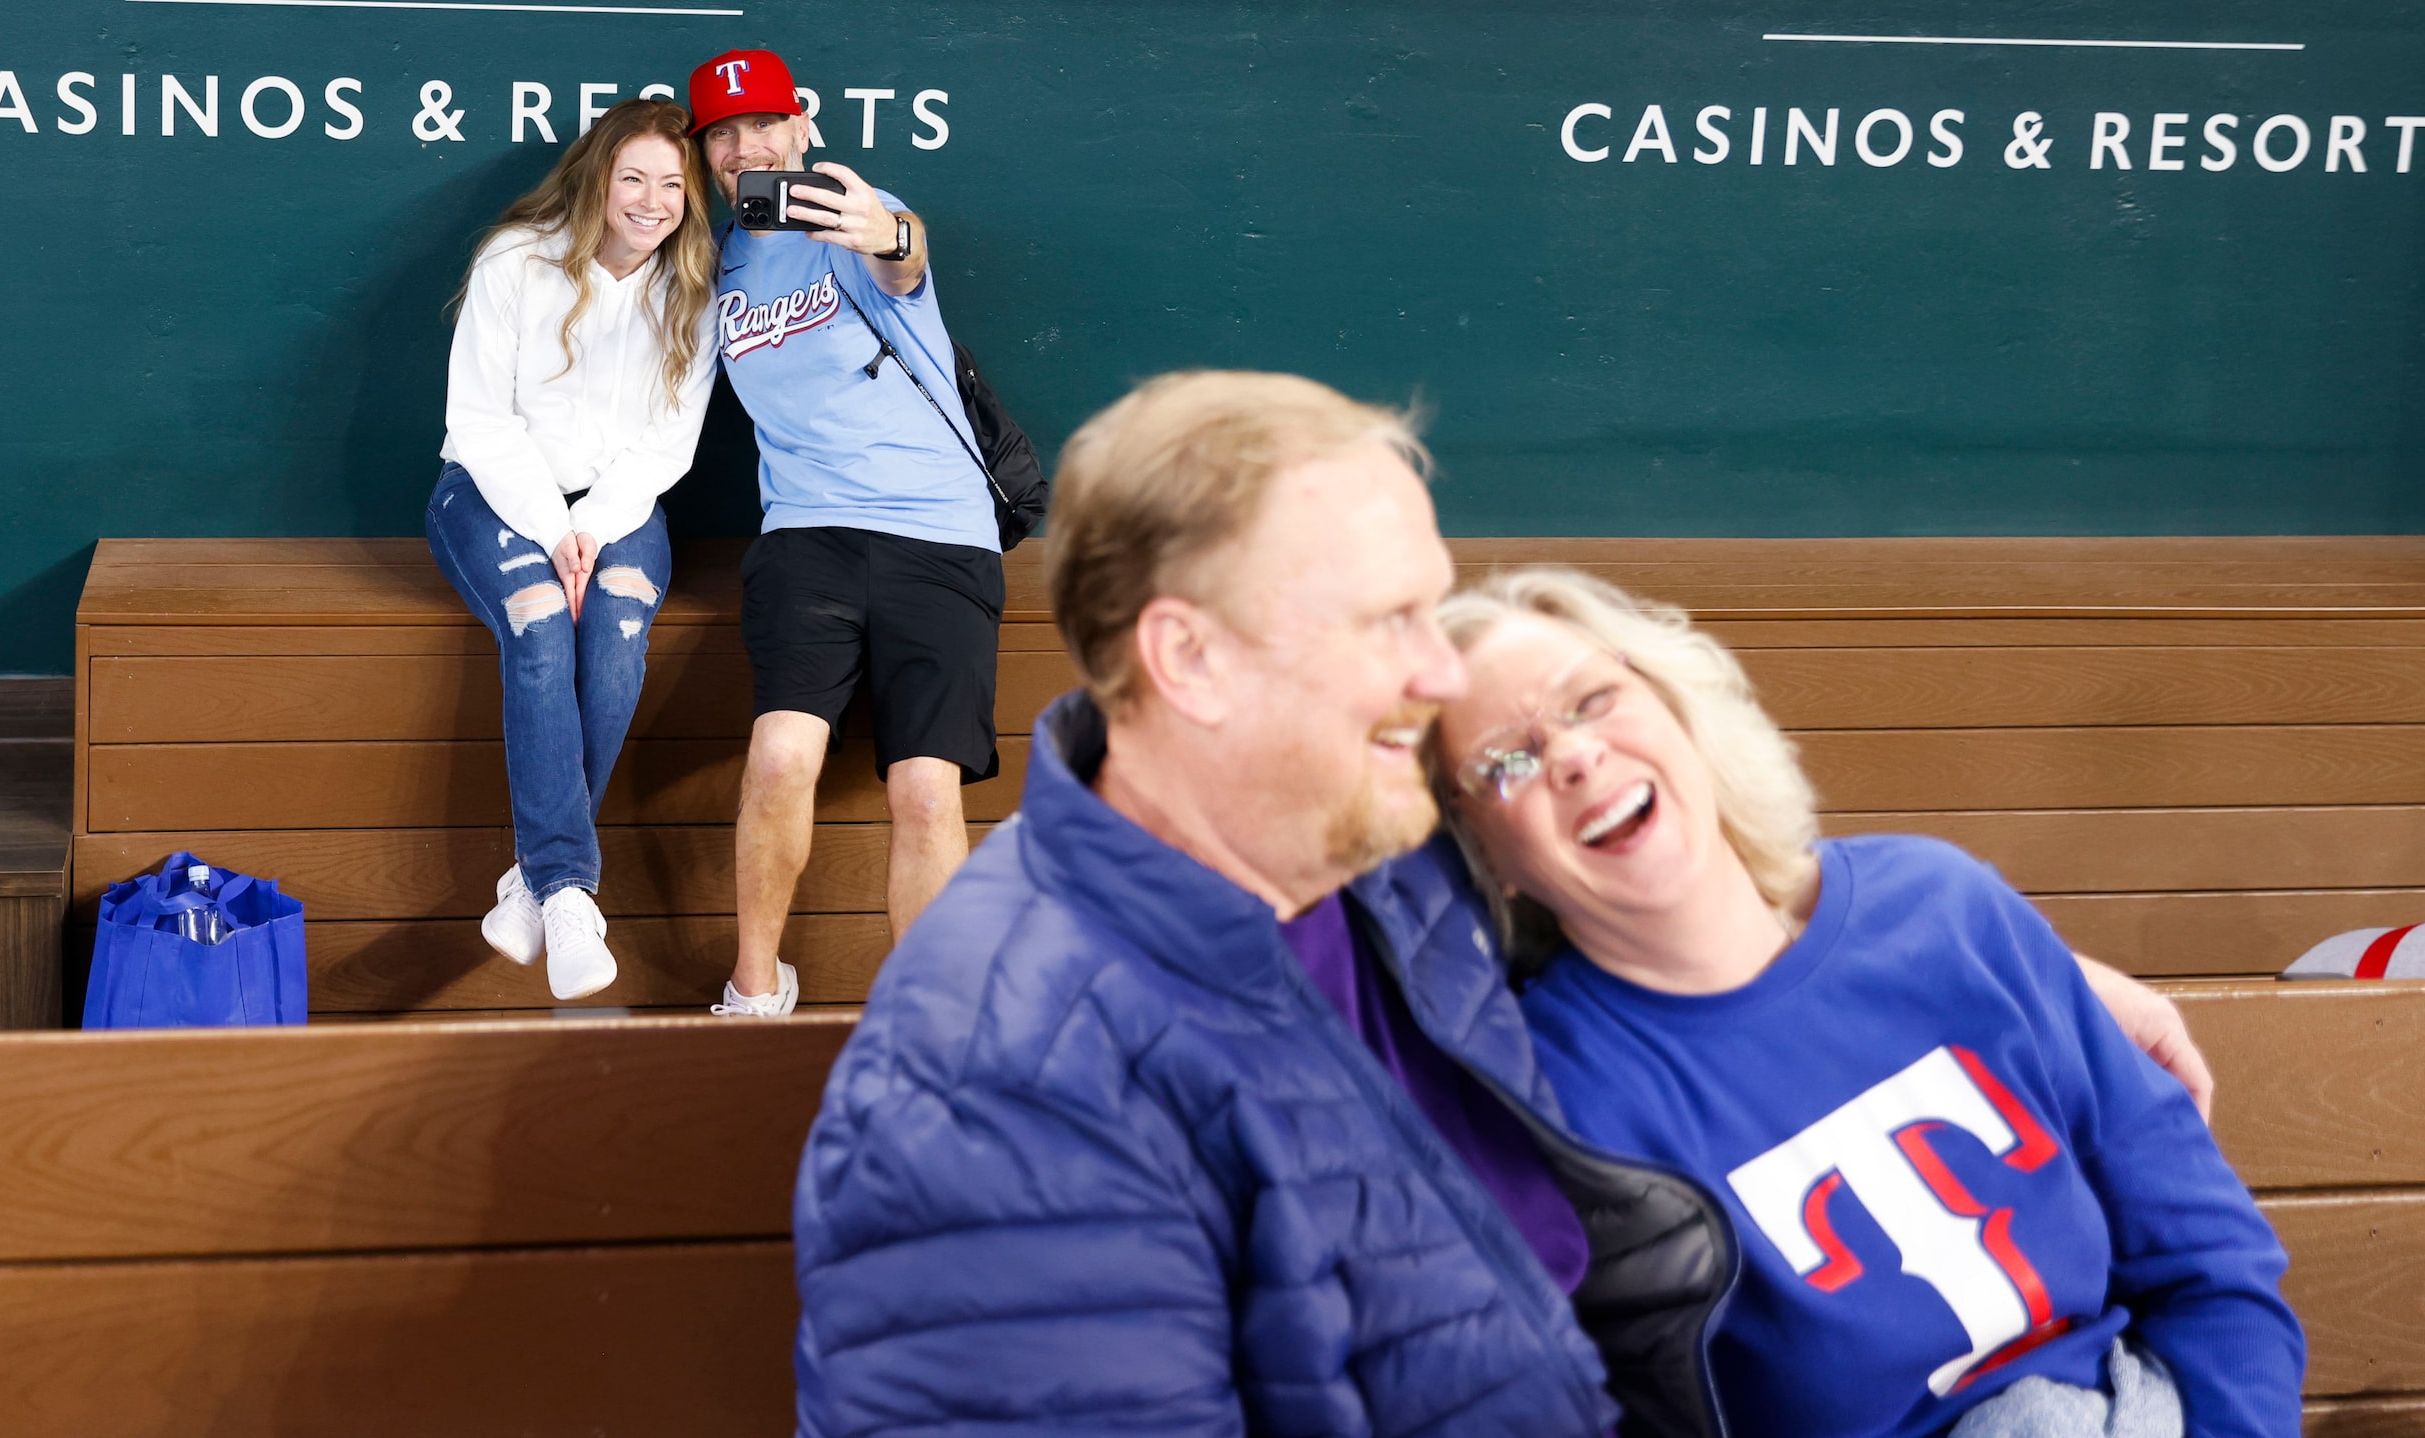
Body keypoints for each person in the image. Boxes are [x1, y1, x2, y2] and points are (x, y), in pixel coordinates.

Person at [793, 370, 2231, 1437]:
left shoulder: (1369, 852)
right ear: (1192, 661)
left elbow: (1668, 884)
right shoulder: (1006, 1075)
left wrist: (2019, 974)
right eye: (1388, 623)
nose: (1438, 677)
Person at [1431, 567, 2303, 1438]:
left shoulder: (1946, 908)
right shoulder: (1546, 1100)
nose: (1575, 755)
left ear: (1675, 706)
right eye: (1508, 760)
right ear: (1487, 859)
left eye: (1591, 700)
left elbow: (2214, 1265)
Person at [687, 47, 1003, 1018]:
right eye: (722, 135)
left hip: (940, 529)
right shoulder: (708, 263)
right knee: (781, 756)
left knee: (923, 787)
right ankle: (752, 991)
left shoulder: (851, 212)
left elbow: (903, 252)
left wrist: (886, 227)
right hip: (807, 533)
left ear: (800, 127)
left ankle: (931, 1022)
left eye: (763, 125)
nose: (747, 148)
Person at [425, 98, 719, 1002]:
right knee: (541, 621)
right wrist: (555, 532)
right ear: (597, 178)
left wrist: (592, 528)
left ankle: (536, 886)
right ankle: (569, 889)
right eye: (634, 177)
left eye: (673, 184)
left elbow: (670, 443)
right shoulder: (517, 260)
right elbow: (481, 421)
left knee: (619, 636)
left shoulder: (694, 285)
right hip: (490, 493)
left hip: (619, 508)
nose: (652, 200)